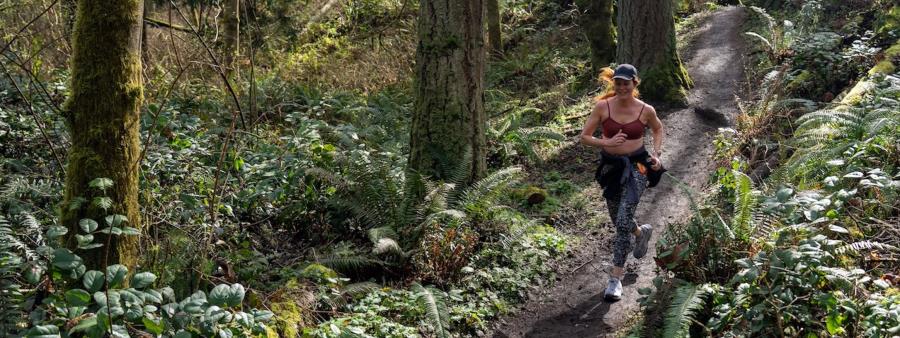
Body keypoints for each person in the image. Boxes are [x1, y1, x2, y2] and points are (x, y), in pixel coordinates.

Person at [579, 64, 666, 301]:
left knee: (622, 220)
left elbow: (658, 129)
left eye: (626, 83)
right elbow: (585, 137)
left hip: (638, 166)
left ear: (634, 84)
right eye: (617, 83)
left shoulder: (645, 110)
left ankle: (614, 279)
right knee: (618, 216)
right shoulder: (603, 107)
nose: (621, 87)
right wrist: (605, 143)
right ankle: (640, 233)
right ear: (613, 84)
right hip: (611, 168)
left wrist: (656, 155)